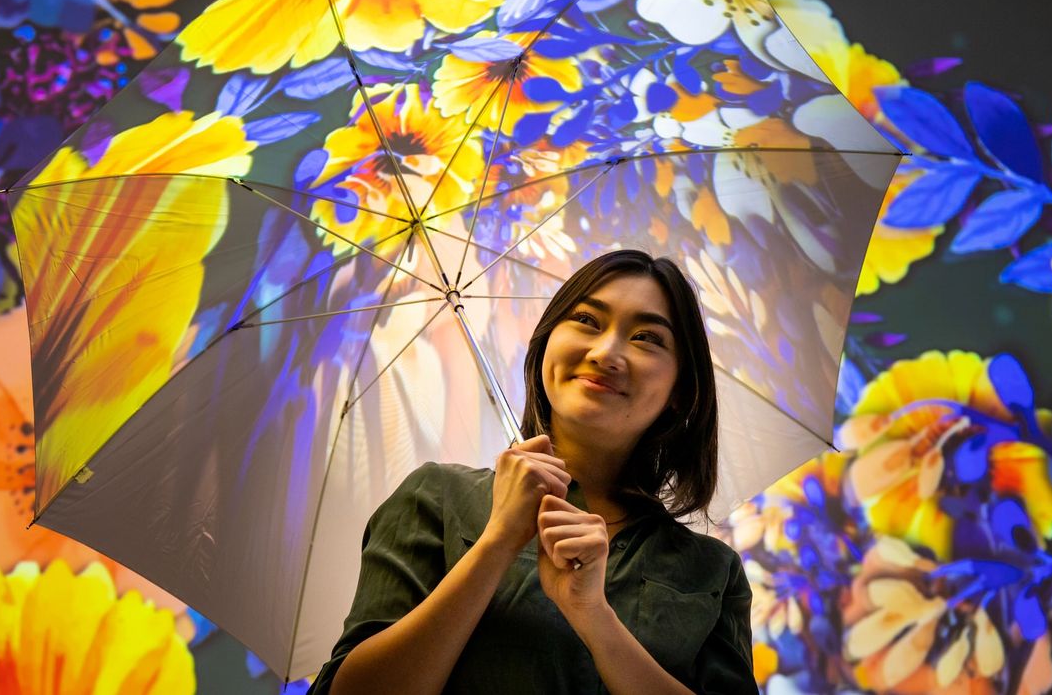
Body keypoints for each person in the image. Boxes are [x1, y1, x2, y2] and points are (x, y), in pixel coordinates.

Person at [307, 250, 757, 694]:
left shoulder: (711, 572)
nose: (606, 352)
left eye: (646, 338)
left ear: (681, 388)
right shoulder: (437, 498)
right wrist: (497, 542)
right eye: (587, 321)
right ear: (546, 346)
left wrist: (593, 616)